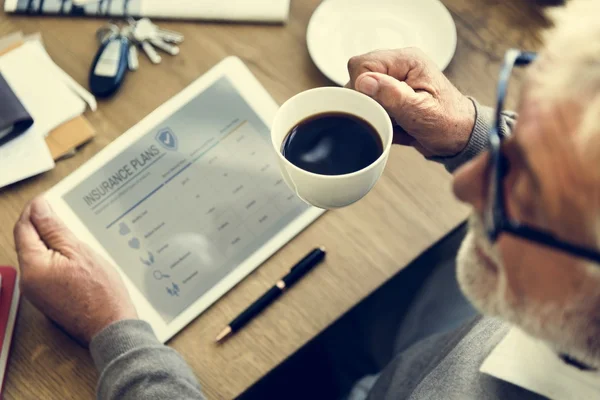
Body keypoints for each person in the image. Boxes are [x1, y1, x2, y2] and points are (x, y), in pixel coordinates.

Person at [12, 0, 600, 398]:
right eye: (518, 145)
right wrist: (473, 130)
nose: (467, 183)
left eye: (533, 196)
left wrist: (114, 332)